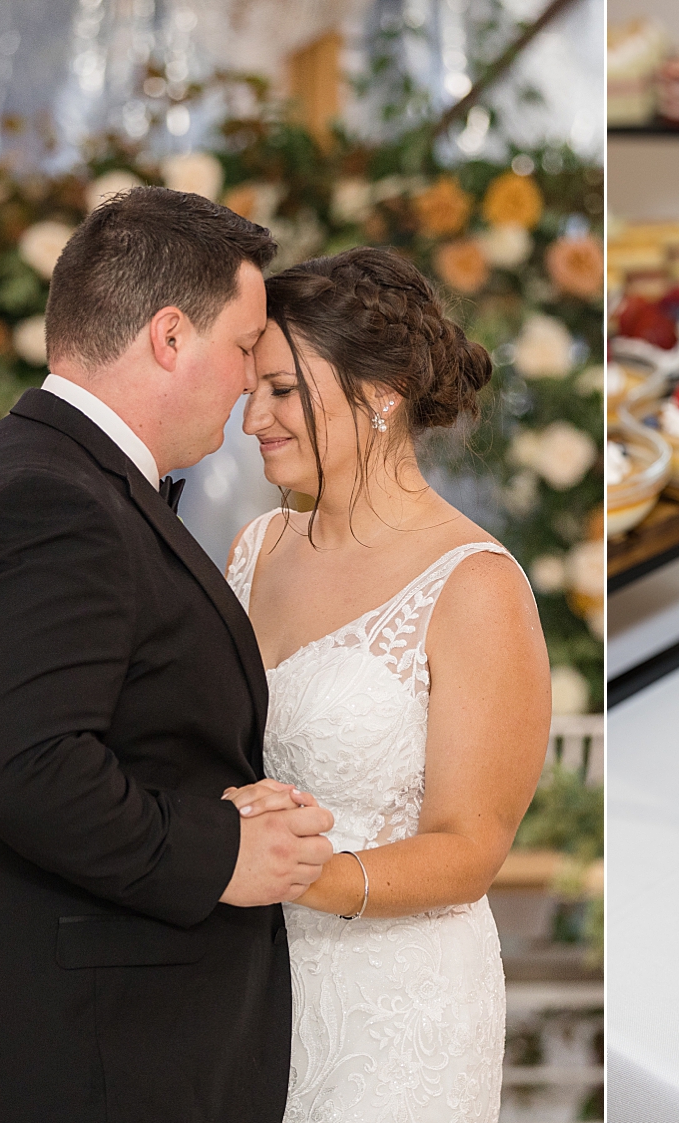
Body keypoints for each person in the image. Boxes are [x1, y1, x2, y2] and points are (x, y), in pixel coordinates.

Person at [0, 186, 336, 1123]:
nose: (252, 381)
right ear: (170, 336)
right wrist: (222, 851)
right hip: (62, 1060)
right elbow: (24, 766)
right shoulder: (52, 502)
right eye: (245, 347)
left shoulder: (34, 473)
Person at [222, 246, 552, 1121]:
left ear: (381, 394)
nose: (254, 417)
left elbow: (472, 844)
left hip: (402, 1016)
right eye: (250, 388)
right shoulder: (253, 552)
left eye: (283, 391)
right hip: (248, 998)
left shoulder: (476, 582)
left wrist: (300, 873)